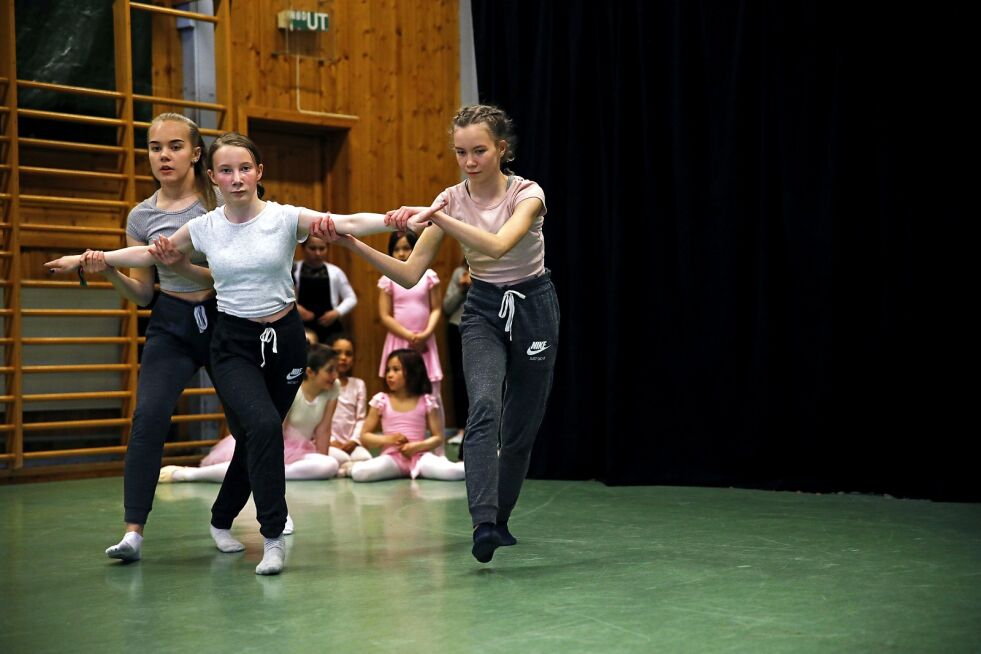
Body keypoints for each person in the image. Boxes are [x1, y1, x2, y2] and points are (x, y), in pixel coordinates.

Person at [46, 131, 444, 574]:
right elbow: (146, 252)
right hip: (233, 342)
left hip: (287, 340)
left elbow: (348, 223)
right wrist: (86, 259)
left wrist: (402, 220)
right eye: (226, 171)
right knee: (261, 425)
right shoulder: (204, 227)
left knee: (261, 432)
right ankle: (272, 536)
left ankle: (221, 518)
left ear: (259, 172)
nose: (236, 179)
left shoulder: (285, 218)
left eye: (244, 169)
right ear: (213, 178)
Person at [313, 104, 559, 563]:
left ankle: (501, 517)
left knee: (521, 428)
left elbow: (501, 243)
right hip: (483, 308)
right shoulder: (449, 199)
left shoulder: (528, 194)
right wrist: (352, 243)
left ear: (501, 149)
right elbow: (408, 275)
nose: (469, 162)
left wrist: (437, 217)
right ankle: (483, 522)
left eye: (479, 151)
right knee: (483, 405)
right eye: (461, 152)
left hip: (533, 308)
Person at [70, 113, 218, 564]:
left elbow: (231, 274)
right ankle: (133, 531)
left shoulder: (217, 204)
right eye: (155, 148)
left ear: (195, 153)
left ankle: (271, 509)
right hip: (170, 323)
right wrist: (110, 269)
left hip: (221, 316)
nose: (164, 156)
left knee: (254, 420)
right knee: (148, 419)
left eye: (175, 146)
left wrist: (183, 266)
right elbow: (142, 294)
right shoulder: (141, 215)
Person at [157, 344, 343, 493]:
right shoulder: (293, 389)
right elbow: (278, 427)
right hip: (279, 443)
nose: (334, 376)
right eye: (330, 370)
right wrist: (276, 458)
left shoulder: (332, 390)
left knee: (334, 460)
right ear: (310, 372)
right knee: (247, 466)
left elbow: (323, 429)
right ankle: (190, 474)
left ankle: (271, 474)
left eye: (335, 371)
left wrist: (323, 460)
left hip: (302, 447)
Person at [350, 349, 464, 482]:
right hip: (392, 458)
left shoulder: (426, 400)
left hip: (420, 456)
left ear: (412, 372)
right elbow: (365, 436)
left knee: (453, 472)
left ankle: (484, 466)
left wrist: (416, 447)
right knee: (359, 473)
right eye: (388, 370)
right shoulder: (381, 400)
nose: (389, 375)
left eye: (396, 369)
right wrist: (390, 440)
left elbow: (438, 437)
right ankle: (349, 467)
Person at [377, 231, 446, 439]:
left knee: (432, 392)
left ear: (416, 248)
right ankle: (399, 441)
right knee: (400, 390)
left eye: (406, 248)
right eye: (396, 249)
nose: (401, 253)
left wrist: (425, 333)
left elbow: (436, 308)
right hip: (399, 340)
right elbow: (385, 315)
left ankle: (436, 447)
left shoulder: (429, 275)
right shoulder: (388, 277)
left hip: (425, 340)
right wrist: (408, 335)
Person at [293, 235, 357, 343]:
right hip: (302, 327)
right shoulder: (293, 270)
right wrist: (296, 308)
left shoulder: (336, 272)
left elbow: (351, 298)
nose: (317, 253)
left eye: (322, 248)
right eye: (312, 248)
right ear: (303, 248)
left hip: (330, 328)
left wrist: (337, 312)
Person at [324, 334, 372, 475]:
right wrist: (332, 441)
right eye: (338, 353)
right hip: (329, 442)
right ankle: (347, 468)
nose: (343, 357)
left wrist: (354, 440)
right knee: (338, 457)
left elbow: (361, 417)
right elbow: (320, 419)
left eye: (349, 354)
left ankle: (343, 469)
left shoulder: (358, 384)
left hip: (351, 444)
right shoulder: (324, 384)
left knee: (366, 458)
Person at [441, 256, 471, 442]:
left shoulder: (493, 271)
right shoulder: (459, 273)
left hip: (485, 328)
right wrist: (462, 288)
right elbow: (446, 306)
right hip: (458, 328)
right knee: (460, 378)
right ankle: (461, 428)